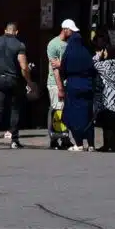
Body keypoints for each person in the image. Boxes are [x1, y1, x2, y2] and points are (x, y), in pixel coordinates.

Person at [0, 20, 34, 149]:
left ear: (5, 31)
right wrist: (29, 82)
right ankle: (14, 140)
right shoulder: (19, 45)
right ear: (16, 32)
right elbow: (24, 66)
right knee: (15, 109)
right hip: (14, 80)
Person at [58, 30, 98, 152]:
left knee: (73, 115)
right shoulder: (86, 53)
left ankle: (79, 143)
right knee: (87, 115)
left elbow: (62, 70)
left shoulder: (68, 53)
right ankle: (91, 145)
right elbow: (93, 69)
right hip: (87, 86)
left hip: (73, 86)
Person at [46, 19, 77, 149]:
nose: (73, 33)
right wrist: (60, 88)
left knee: (62, 109)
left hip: (66, 82)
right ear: (65, 29)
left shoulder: (69, 43)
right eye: (71, 30)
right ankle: (58, 138)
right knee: (58, 110)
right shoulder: (53, 44)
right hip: (55, 83)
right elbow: (55, 69)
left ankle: (62, 137)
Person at [93, 39, 115, 152]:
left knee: (107, 122)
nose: (104, 53)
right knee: (113, 120)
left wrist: (98, 56)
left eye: (106, 51)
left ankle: (111, 145)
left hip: (108, 95)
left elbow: (94, 64)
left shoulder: (106, 64)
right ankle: (111, 145)